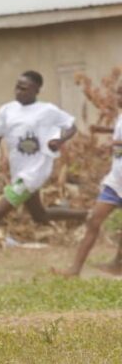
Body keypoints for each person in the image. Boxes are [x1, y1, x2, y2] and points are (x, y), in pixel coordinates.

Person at [0, 71, 86, 278]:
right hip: (18, 173)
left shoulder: (47, 110)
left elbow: (71, 126)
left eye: (24, 87)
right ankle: (87, 216)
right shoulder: (7, 110)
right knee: (40, 216)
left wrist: (60, 141)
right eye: (17, 86)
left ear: (37, 89)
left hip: (35, 173)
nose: (18, 91)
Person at [54, 85, 122, 276]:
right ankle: (74, 270)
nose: (117, 97)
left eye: (121, 94)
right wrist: (104, 130)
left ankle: (118, 264)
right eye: (118, 93)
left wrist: (116, 144)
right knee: (94, 220)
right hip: (116, 181)